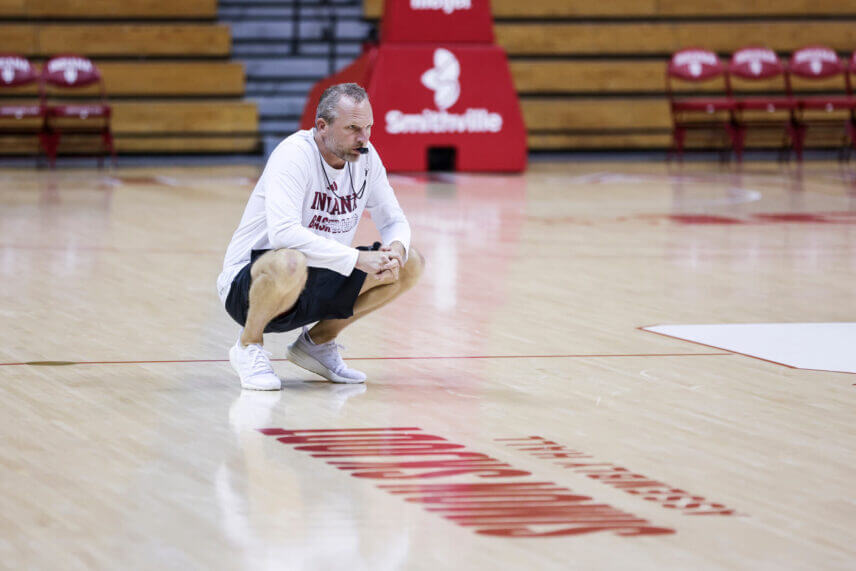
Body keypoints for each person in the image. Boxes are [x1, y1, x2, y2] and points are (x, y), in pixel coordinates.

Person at [216, 83, 424, 390]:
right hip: (250, 288)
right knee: (290, 260)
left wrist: (396, 247)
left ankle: (317, 344)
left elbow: (393, 219)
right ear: (322, 127)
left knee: (409, 263)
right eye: (353, 128)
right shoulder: (294, 155)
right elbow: (283, 233)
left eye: (368, 127)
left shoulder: (366, 158)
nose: (364, 138)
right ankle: (248, 346)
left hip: (318, 279)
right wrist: (357, 258)